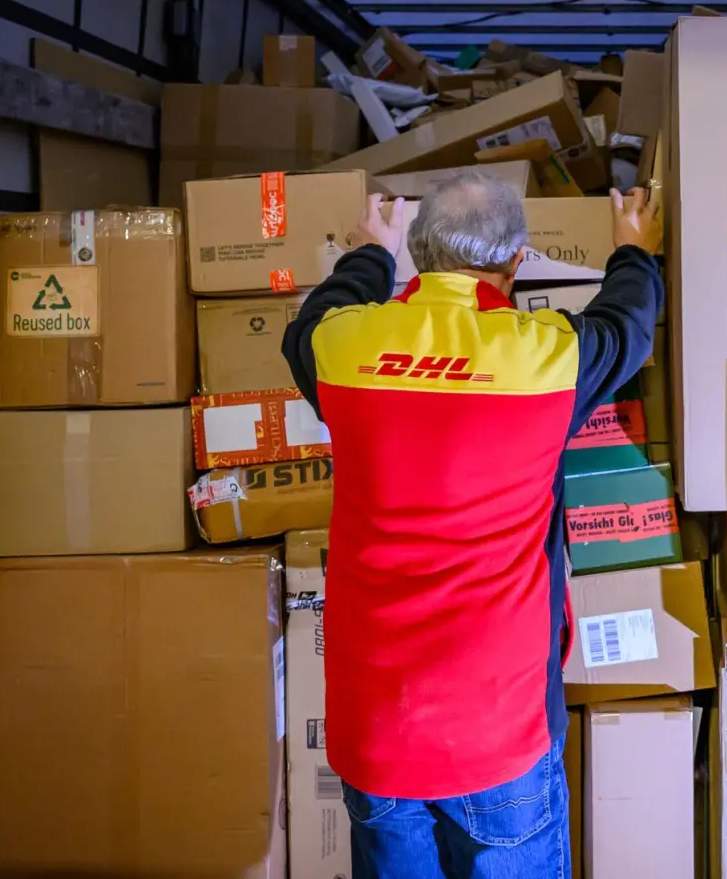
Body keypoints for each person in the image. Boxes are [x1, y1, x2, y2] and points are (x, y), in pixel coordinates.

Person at [281, 172, 663, 879]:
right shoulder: (547, 357)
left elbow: (317, 316)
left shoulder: (342, 348)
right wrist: (633, 251)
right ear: (516, 265)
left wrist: (372, 252)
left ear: (419, 259)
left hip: (375, 732)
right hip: (500, 727)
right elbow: (628, 326)